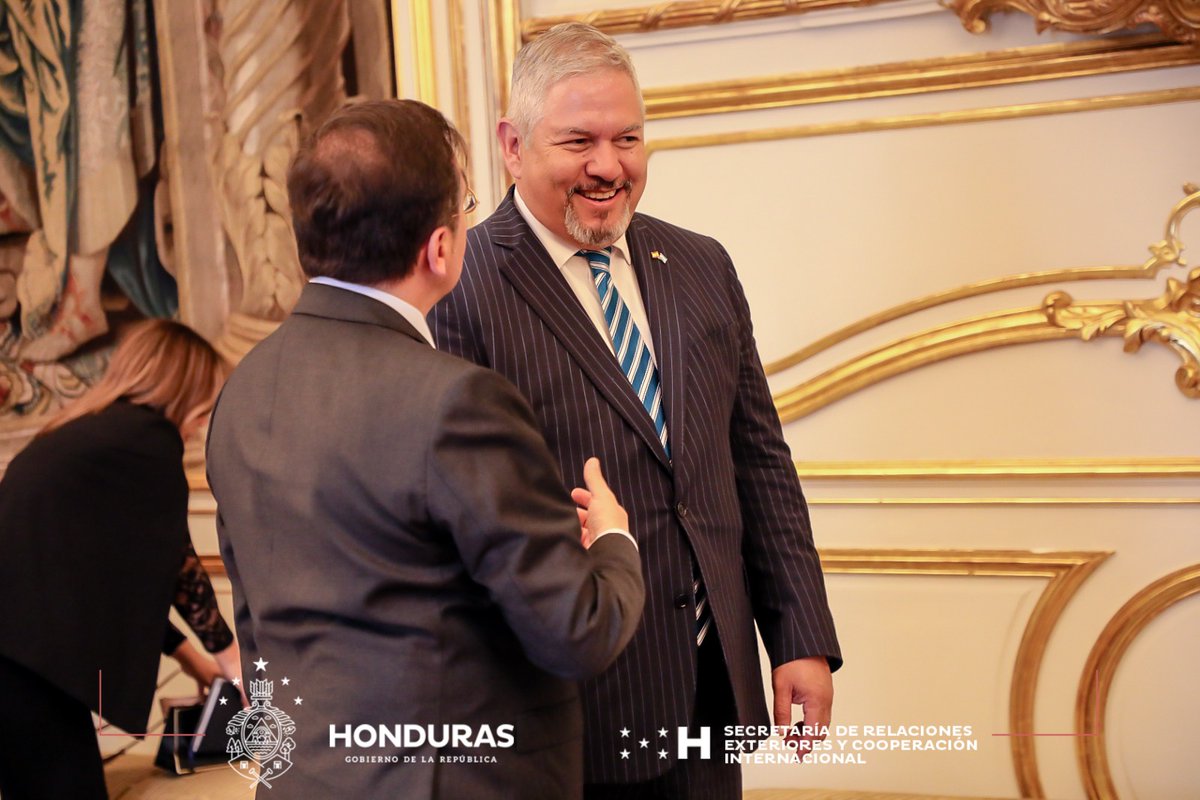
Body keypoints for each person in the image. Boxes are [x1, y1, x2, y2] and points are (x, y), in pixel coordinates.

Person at [430, 22, 843, 799]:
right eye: (578, 141)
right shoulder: (465, 287)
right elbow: (460, 521)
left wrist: (800, 638)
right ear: (513, 146)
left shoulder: (699, 263)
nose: (608, 166)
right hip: (571, 714)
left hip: (710, 694)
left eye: (628, 139)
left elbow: (756, 463)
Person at [206, 99, 645, 799]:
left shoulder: (243, 389)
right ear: (440, 248)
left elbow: (257, 625)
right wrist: (615, 544)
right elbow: (576, 632)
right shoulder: (456, 401)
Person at [0, 318, 237, 800]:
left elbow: (118, 580)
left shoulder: (90, 431)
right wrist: (233, 660)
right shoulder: (148, 444)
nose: (203, 420)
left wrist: (189, 658)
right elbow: (177, 563)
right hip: (21, 668)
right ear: (185, 388)